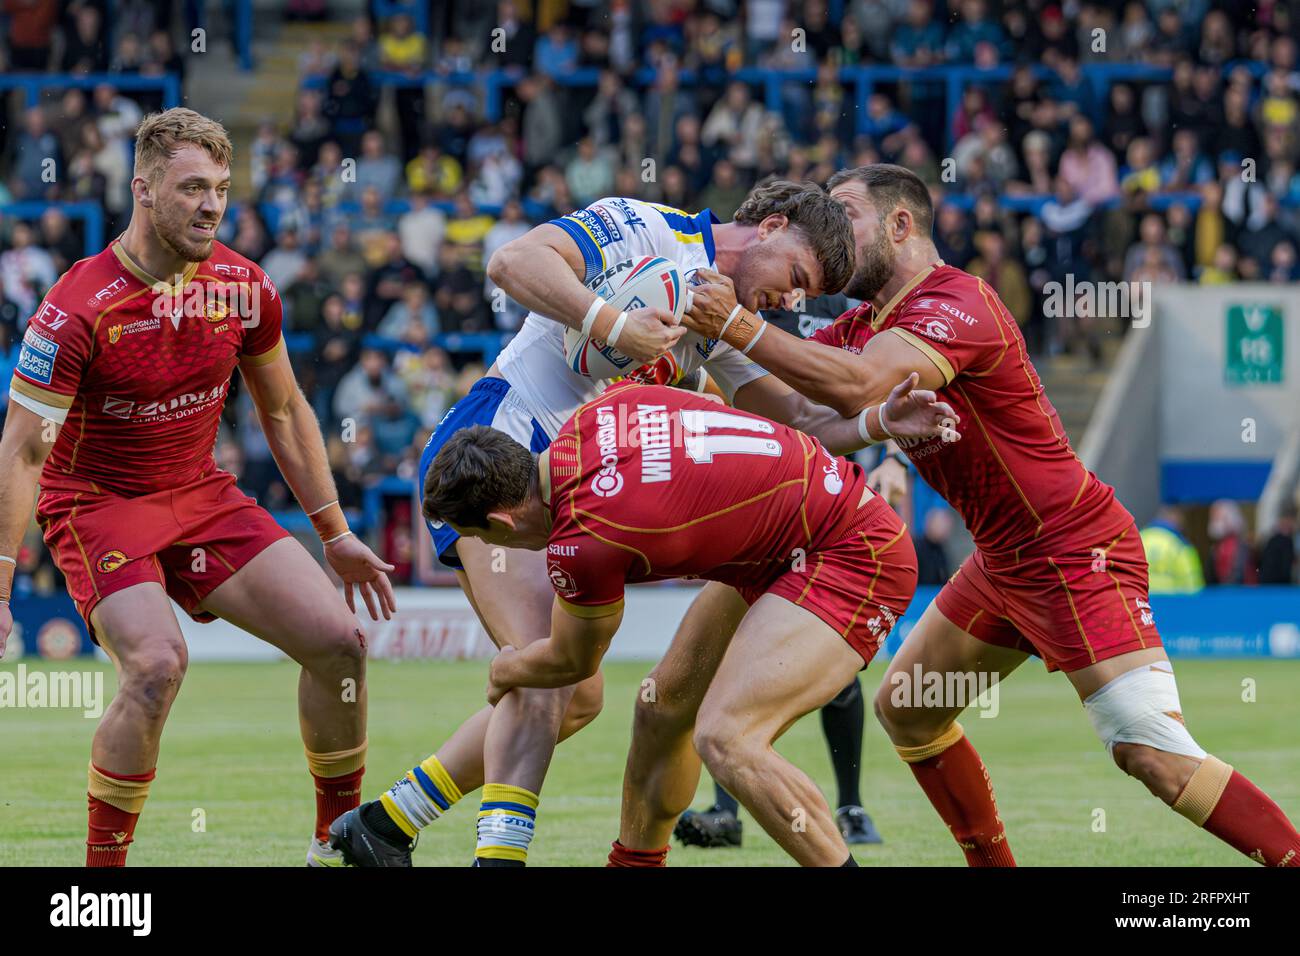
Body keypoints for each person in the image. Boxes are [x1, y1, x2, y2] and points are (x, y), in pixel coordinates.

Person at [674, 163, 1300, 867]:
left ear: (900, 225)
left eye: (843, 213)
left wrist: (732, 323)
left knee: (1150, 750)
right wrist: (695, 352)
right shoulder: (862, 322)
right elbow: (796, 406)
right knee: (908, 706)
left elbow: (860, 386)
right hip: (1004, 560)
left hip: (1071, 546)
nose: (828, 230)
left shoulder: (958, 300)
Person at [327, 183, 914, 867]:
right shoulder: (642, 225)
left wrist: (879, 424)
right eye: (796, 278)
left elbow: (803, 418)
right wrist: (614, 324)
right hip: (501, 454)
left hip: (570, 497)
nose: (792, 302)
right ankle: (486, 859)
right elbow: (513, 263)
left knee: (576, 696)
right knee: (551, 678)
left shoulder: (722, 320)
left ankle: (387, 823)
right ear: (770, 227)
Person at [0, 108, 396, 867]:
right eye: (192, 188)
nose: (212, 205)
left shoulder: (244, 288)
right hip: (98, 503)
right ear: (143, 190)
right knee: (155, 666)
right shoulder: (78, 307)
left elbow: (282, 408)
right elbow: (22, 452)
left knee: (340, 645)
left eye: (220, 188)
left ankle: (334, 848)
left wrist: (336, 531)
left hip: (201, 495)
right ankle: (101, 883)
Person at [343, 379, 952, 866]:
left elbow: (570, 665)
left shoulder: (582, 542)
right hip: (785, 532)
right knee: (662, 705)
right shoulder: (594, 414)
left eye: (480, 539)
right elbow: (700, 392)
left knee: (727, 738)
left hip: (852, 551)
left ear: (503, 523)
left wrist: (507, 665)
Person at [1140, 505, 1204, 593]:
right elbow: (1193, 587)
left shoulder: (1140, 538)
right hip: (1173, 604)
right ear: (1177, 517)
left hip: (1142, 602)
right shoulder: (1180, 545)